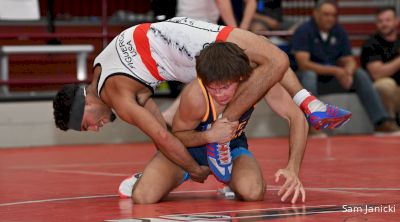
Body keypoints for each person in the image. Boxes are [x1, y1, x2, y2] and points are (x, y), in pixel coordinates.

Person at [53, 17, 350, 186]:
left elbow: (160, 136)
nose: (95, 128)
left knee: (276, 59)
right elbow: (162, 133)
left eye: (86, 124)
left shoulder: (115, 94)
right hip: (178, 58)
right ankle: (309, 103)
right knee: (270, 63)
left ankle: (299, 106)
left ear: (86, 104)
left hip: (179, 45)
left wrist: (196, 171)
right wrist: (187, 164)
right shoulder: (101, 74)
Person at [119, 42, 307, 204]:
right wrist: (209, 136)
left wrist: (293, 167)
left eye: (225, 87)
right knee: (143, 197)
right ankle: (144, 178)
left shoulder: (258, 85)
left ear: (241, 77)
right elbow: (176, 137)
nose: (219, 94)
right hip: (188, 153)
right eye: (212, 88)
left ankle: (230, 181)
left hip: (231, 148)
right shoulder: (195, 95)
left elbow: (297, 117)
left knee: (253, 192)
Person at [291, 0, 399, 134]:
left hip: (332, 79)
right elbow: (304, 64)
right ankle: (313, 125)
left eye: (333, 15)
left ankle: (381, 121)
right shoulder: (304, 30)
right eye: (326, 14)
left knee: (359, 74)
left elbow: (349, 59)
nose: (330, 18)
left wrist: (348, 71)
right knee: (309, 75)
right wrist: (337, 71)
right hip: (307, 80)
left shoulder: (338, 31)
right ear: (316, 14)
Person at [361, 6, 400, 126]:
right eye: (380, 21)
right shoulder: (371, 44)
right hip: (385, 90)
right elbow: (377, 73)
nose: (384, 24)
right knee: (385, 85)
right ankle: (390, 122)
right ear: (376, 24)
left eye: (388, 20)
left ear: (396, 21)